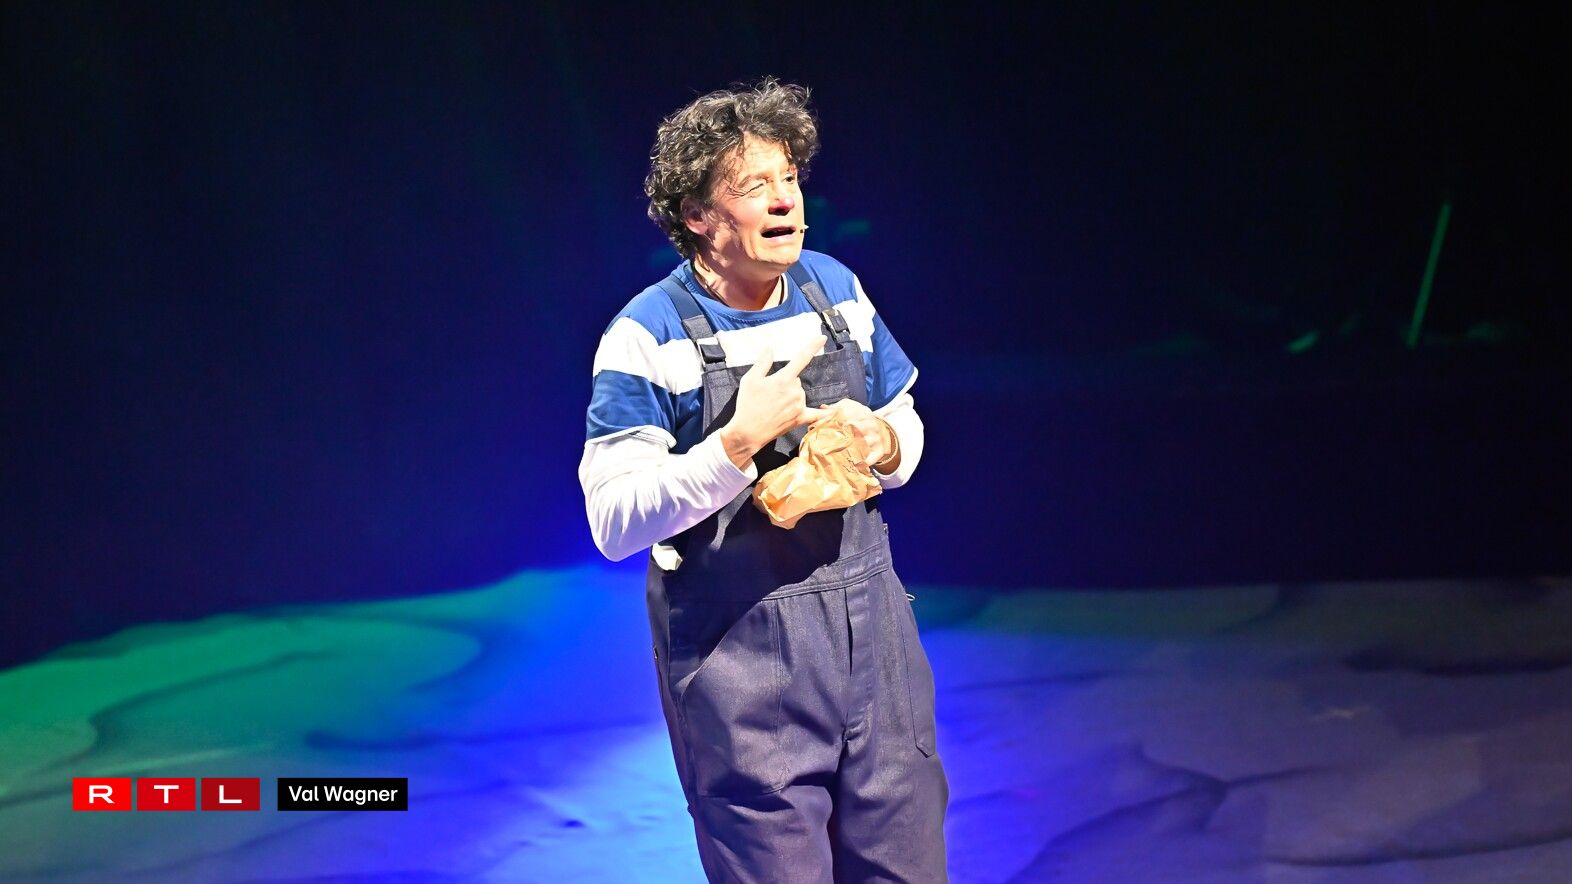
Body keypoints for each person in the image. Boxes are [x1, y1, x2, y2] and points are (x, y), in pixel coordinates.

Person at [579, 78, 948, 882]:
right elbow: (612, 521)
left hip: (874, 640)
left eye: (789, 178)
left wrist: (885, 440)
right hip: (741, 667)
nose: (784, 200)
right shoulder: (647, 336)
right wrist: (735, 444)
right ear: (697, 216)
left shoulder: (835, 292)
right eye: (753, 186)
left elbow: (906, 417)